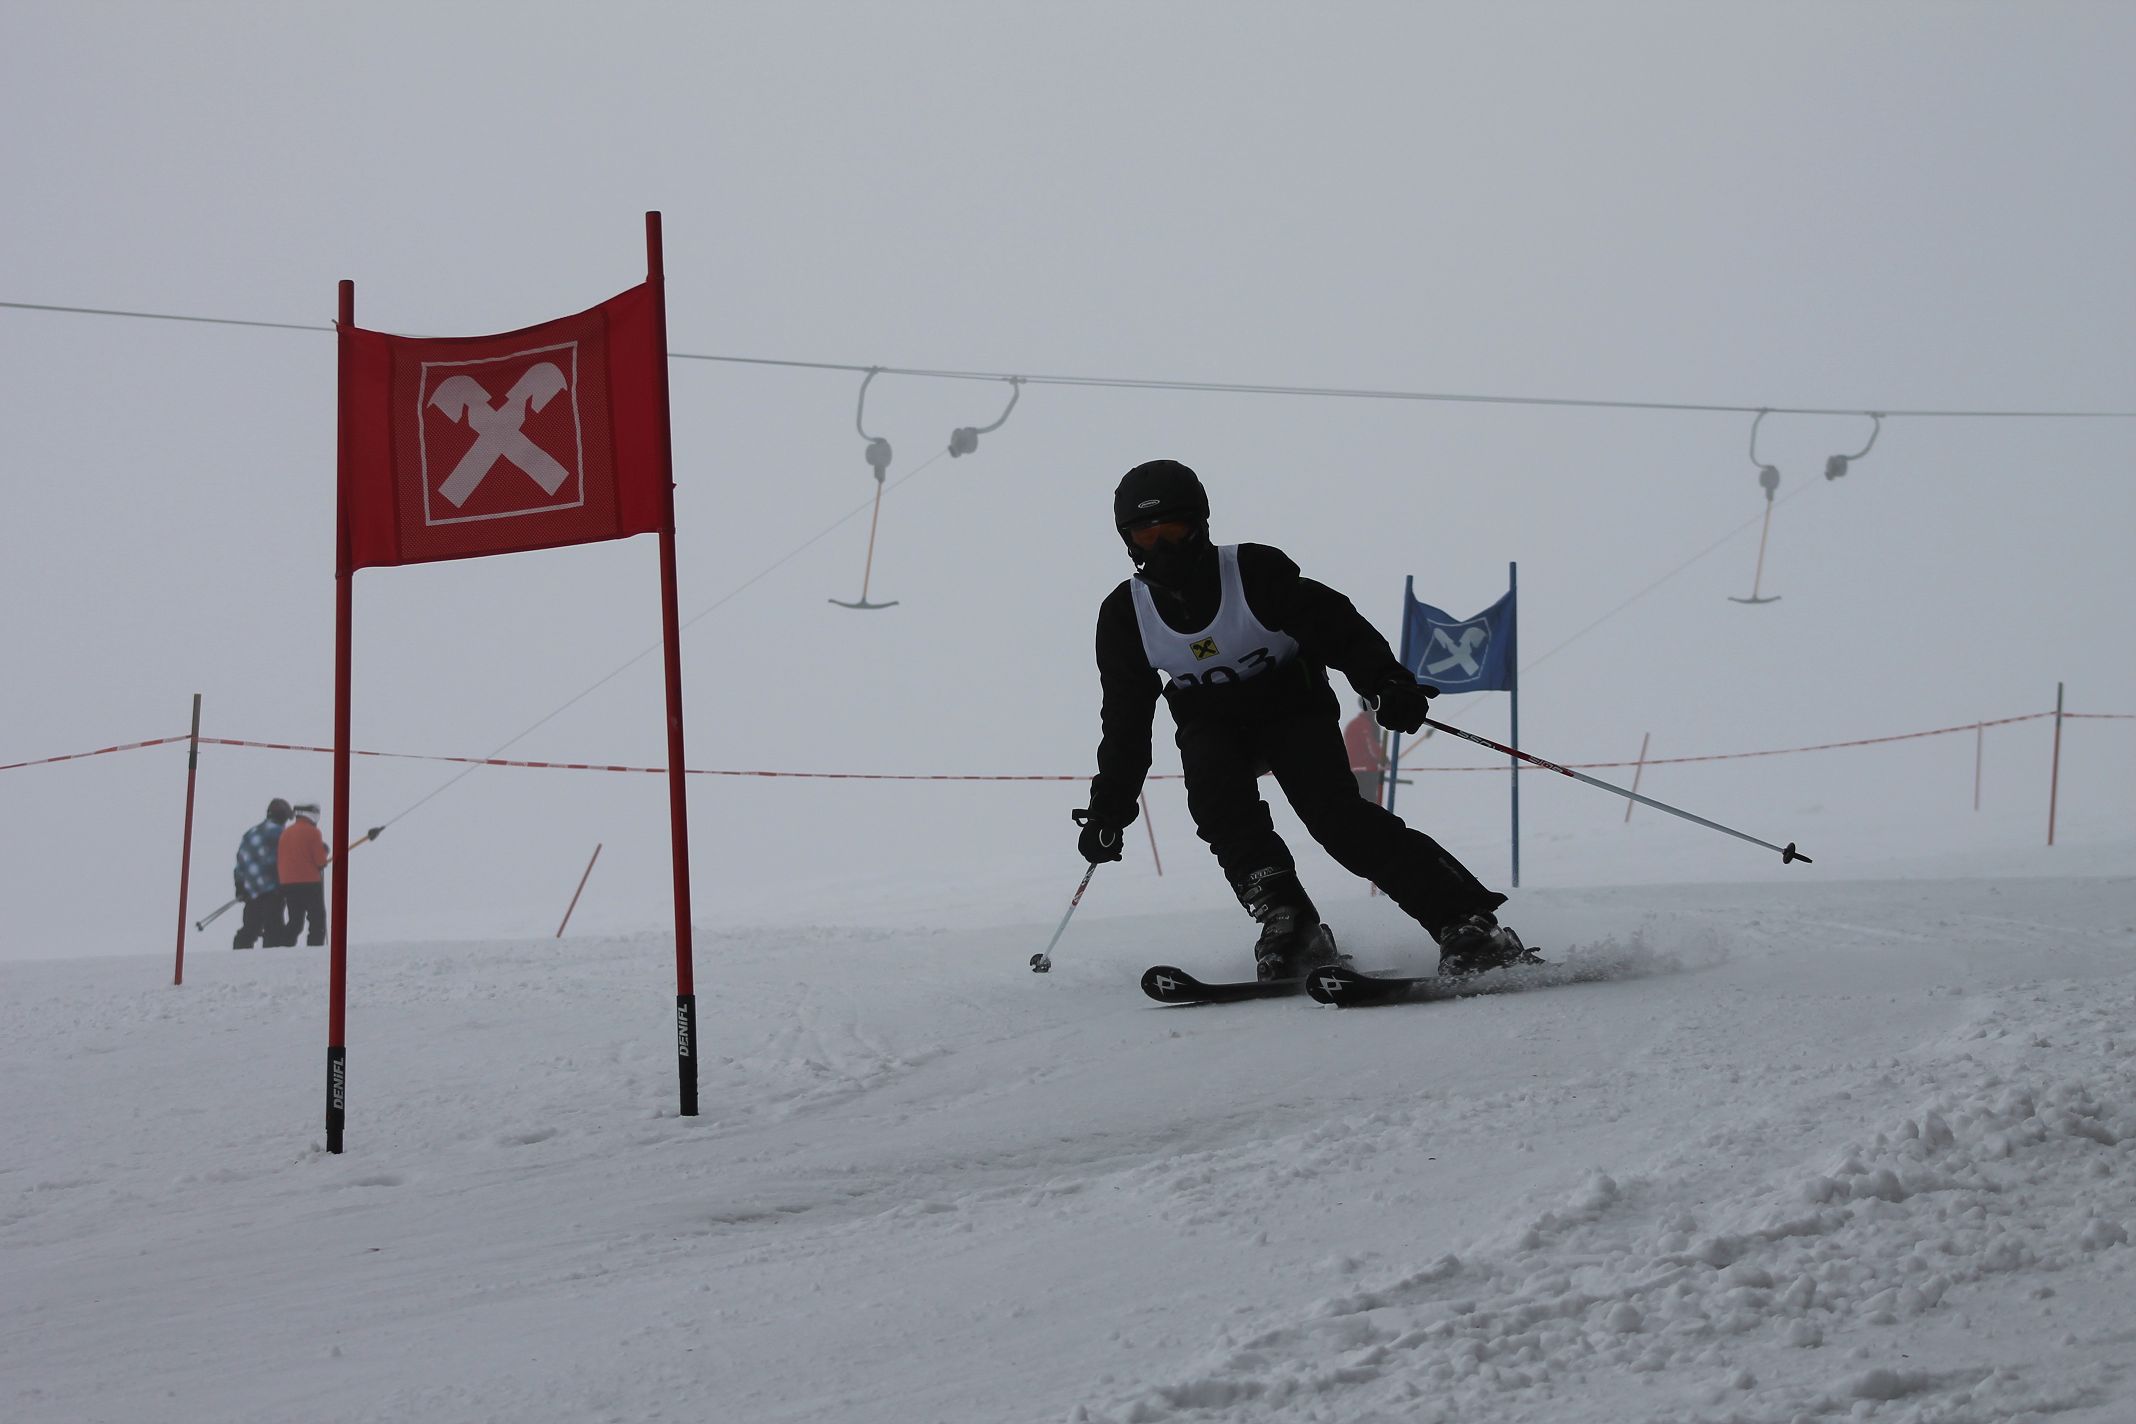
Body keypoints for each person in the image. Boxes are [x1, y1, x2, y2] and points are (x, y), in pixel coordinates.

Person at [1074, 459, 1529, 982]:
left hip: (1291, 705)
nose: (1161, 547)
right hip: (1211, 722)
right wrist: (1109, 810)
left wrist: (1386, 681)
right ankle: (1289, 922)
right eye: (1146, 535)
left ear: (1199, 524)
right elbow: (1125, 720)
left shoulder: (1252, 572)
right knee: (1218, 807)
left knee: (1335, 817)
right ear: (1128, 540)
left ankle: (1466, 921)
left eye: (1172, 530)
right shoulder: (1126, 615)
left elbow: (1337, 627)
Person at [231, 798, 291, 950]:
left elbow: (240, 864)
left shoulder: (250, 834)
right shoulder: (281, 834)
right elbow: (288, 860)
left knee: (250, 928)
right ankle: (270, 960)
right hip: (273, 890)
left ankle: (238, 957)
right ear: (283, 817)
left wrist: (240, 887)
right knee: (274, 929)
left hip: (251, 891)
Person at [274, 801, 329, 947]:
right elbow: (320, 862)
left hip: (288, 883)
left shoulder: (285, 833)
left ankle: (284, 947)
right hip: (309, 882)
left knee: (295, 920)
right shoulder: (313, 832)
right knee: (317, 919)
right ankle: (315, 950)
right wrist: (324, 851)